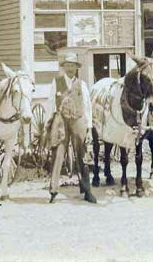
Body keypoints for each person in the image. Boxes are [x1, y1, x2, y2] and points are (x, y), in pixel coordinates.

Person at [46, 52, 97, 204]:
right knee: (58, 154)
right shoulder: (57, 82)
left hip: (78, 120)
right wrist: (50, 123)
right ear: (64, 67)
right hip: (61, 121)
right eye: (67, 65)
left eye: (72, 66)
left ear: (76, 68)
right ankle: (54, 191)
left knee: (82, 155)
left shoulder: (82, 84)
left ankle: (87, 190)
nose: (70, 68)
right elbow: (50, 103)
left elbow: (87, 106)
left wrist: (88, 127)